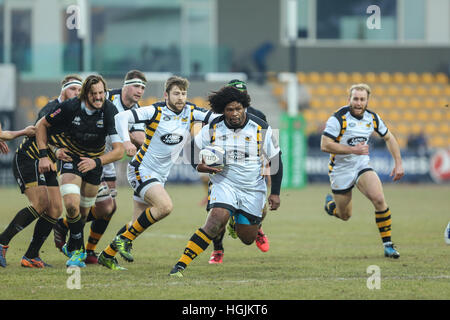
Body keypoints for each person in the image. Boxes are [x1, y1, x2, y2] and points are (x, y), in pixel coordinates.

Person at [97, 75, 217, 270]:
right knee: (165, 206)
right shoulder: (155, 110)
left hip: (159, 175)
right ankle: (123, 240)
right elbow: (121, 117)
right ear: (166, 95)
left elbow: (215, 118)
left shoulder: (191, 111)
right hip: (141, 169)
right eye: (176, 93)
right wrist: (126, 141)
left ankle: (107, 254)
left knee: (137, 223)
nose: (180, 97)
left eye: (183, 93)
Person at [169, 85, 283, 278]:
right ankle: (180, 266)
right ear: (223, 110)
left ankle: (236, 219)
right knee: (214, 222)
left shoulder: (260, 127)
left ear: (244, 107)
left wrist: (276, 193)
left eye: (238, 108)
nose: (235, 113)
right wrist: (199, 166)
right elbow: (190, 150)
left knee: (247, 238)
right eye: (230, 109)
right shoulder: (213, 127)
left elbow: (276, 159)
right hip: (224, 183)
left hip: (252, 188)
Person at [52, 70, 147, 264]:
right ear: (126, 85)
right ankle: (70, 232)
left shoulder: (137, 110)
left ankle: (86, 248)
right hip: (89, 158)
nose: (140, 91)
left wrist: (128, 135)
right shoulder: (105, 97)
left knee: (107, 209)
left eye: (143, 88)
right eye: (137, 86)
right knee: (103, 206)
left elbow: (139, 138)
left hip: (107, 163)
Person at [36, 74, 124, 268]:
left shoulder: (110, 110)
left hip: (93, 164)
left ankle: (74, 243)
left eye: (101, 93)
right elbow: (41, 125)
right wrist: (47, 153)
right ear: (85, 94)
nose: (99, 97)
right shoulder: (71, 106)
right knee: (71, 204)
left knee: (83, 214)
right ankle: (78, 252)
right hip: (71, 159)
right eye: (94, 94)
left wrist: (95, 162)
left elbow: (119, 151)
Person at [0, 75, 82, 268]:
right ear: (63, 90)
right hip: (30, 159)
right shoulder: (51, 109)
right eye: (73, 90)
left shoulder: (78, 112)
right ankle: (2, 242)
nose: (76, 94)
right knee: (41, 203)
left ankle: (31, 255)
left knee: (55, 209)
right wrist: (53, 151)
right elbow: (39, 132)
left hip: (49, 163)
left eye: (79, 91)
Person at [321, 83, 404, 259]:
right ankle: (331, 206)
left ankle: (388, 245)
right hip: (340, 170)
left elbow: (389, 137)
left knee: (379, 199)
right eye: (355, 99)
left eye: (362, 99)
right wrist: (353, 150)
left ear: (367, 101)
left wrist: (398, 162)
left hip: (361, 165)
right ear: (349, 99)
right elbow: (325, 145)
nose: (358, 103)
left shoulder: (372, 118)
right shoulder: (338, 118)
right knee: (345, 215)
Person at [207, 79, 270, 265]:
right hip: (223, 174)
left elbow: (268, 147)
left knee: (262, 208)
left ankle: (256, 226)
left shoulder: (259, 116)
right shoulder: (216, 118)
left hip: (251, 175)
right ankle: (218, 250)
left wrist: (266, 167)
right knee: (216, 218)